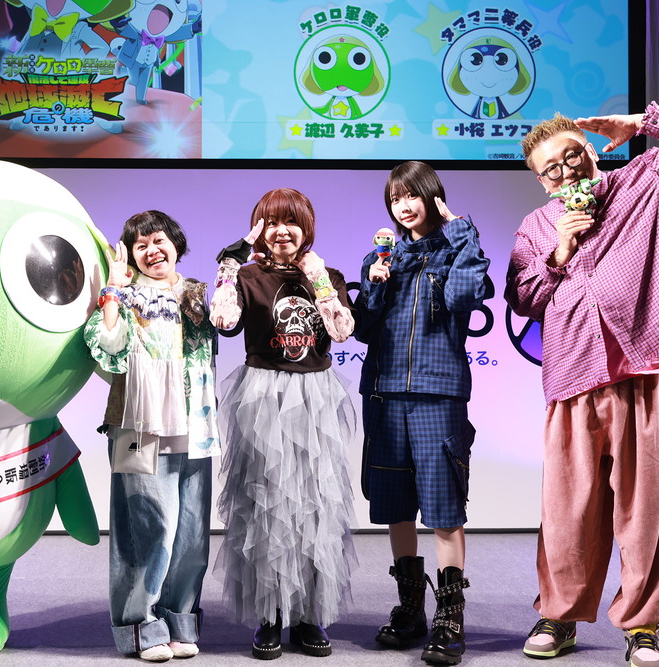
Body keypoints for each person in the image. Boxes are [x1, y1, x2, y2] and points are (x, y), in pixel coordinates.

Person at [505, 102, 659, 666]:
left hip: (645, 368)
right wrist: (560, 250)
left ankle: (643, 624)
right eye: (550, 170)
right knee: (569, 510)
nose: (564, 172)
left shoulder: (647, 181)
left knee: (646, 509)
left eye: (571, 156)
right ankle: (559, 614)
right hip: (573, 373)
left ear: (589, 151)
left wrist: (643, 123)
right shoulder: (537, 226)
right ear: (541, 182)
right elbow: (523, 297)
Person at [210, 187, 358, 660]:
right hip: (263, 394)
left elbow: (342, 331)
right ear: (259, 229)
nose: (281, 231)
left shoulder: (327, 275)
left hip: (314, 396)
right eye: (271, 222)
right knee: (266, 505)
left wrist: (320, 281)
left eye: (291, 222)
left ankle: (311, 613)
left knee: (315, 504)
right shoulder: (248, 275)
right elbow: (223, 321)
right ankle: (269, 615)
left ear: (306, 227)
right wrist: (230, 264)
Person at [354, 161, 491, 665]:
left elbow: (462, 297)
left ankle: (450, 618)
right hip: (384, 396)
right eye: (395, 199)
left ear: (432, 195)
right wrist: (374, 283)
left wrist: (462, 234)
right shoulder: (382, 256)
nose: (403, 206)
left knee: (444, 509)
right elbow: (363, 329)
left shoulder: (457, 250)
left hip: (438, 395)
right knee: (395, 507)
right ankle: (410, 608)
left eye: (411, 194)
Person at [84, 211, 220, 663]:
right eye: (140, 245)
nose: (152, 250)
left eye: (158, 240)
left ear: (176, 244)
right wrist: (113, 288)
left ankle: (180, 621)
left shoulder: (196, 294)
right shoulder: (123, 295)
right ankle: (140, 626)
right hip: (136, 426)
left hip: (194, 424)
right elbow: (108, 347)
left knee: (190, 534)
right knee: (146, 526)